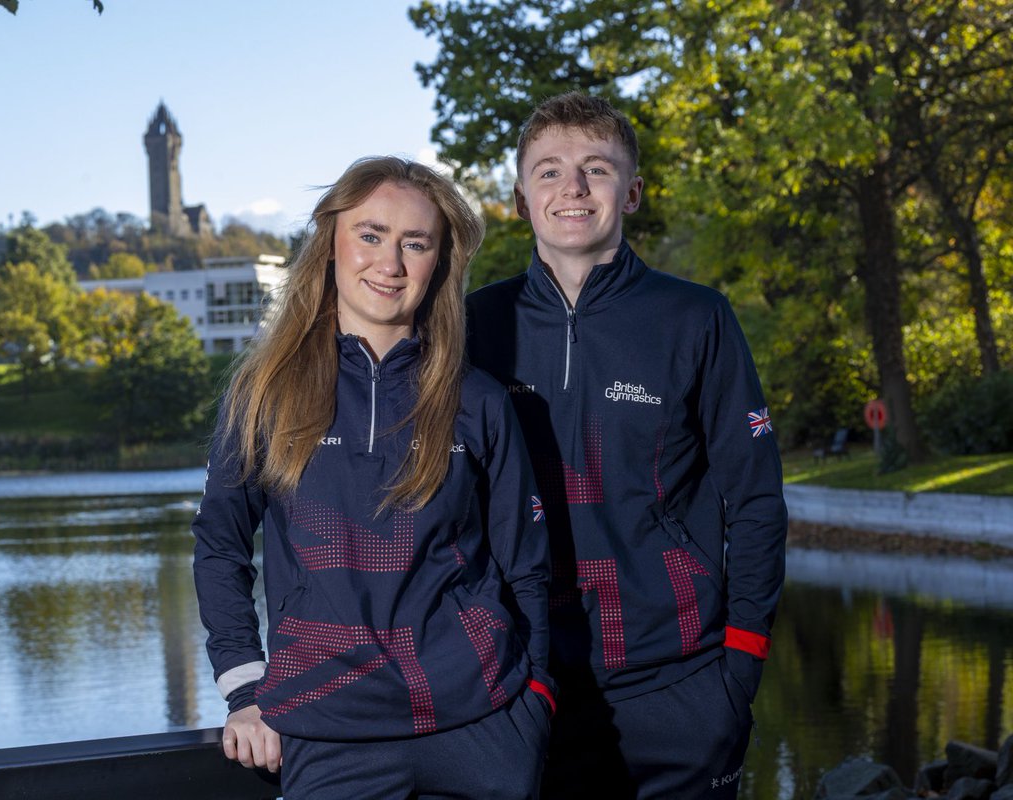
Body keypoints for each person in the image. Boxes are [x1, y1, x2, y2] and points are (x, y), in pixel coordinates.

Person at [192, 156, 556, 799]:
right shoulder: (265, 393)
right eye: (371, 235)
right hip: (326, 735)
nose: (390, 264)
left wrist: (536, 698)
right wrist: (245, 690)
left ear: (438, 264)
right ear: (330, 243)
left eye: (415, 244)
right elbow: (221, 546)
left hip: (482, 729)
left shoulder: (478, 400)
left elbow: (525, 565)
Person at [465, 92, 788, 798]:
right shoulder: (473, 326)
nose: (572, 188)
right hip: (525, 686)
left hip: (680, 682)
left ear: (633, 191)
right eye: (548, 171)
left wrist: (740, 668)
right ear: (520, 201)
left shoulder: (696, 318)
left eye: (596, 170)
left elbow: (757, 501)